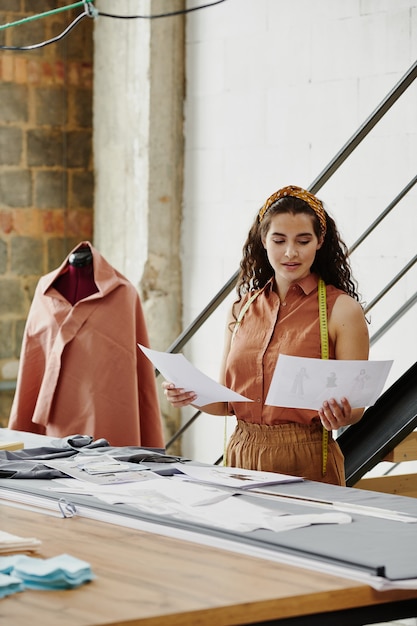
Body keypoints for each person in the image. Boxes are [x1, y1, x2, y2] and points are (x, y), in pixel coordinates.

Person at [163, 185, 369, 485]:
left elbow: (357, 407)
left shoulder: (341, 310)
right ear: (263, 240)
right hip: (241, 455)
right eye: (279, 240)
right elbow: (225, 404)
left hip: (305, 458)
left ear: (319, 242)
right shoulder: (241, 308)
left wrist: (342, 416)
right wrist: (188, 394)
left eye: (303, 240)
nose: (290, 252)